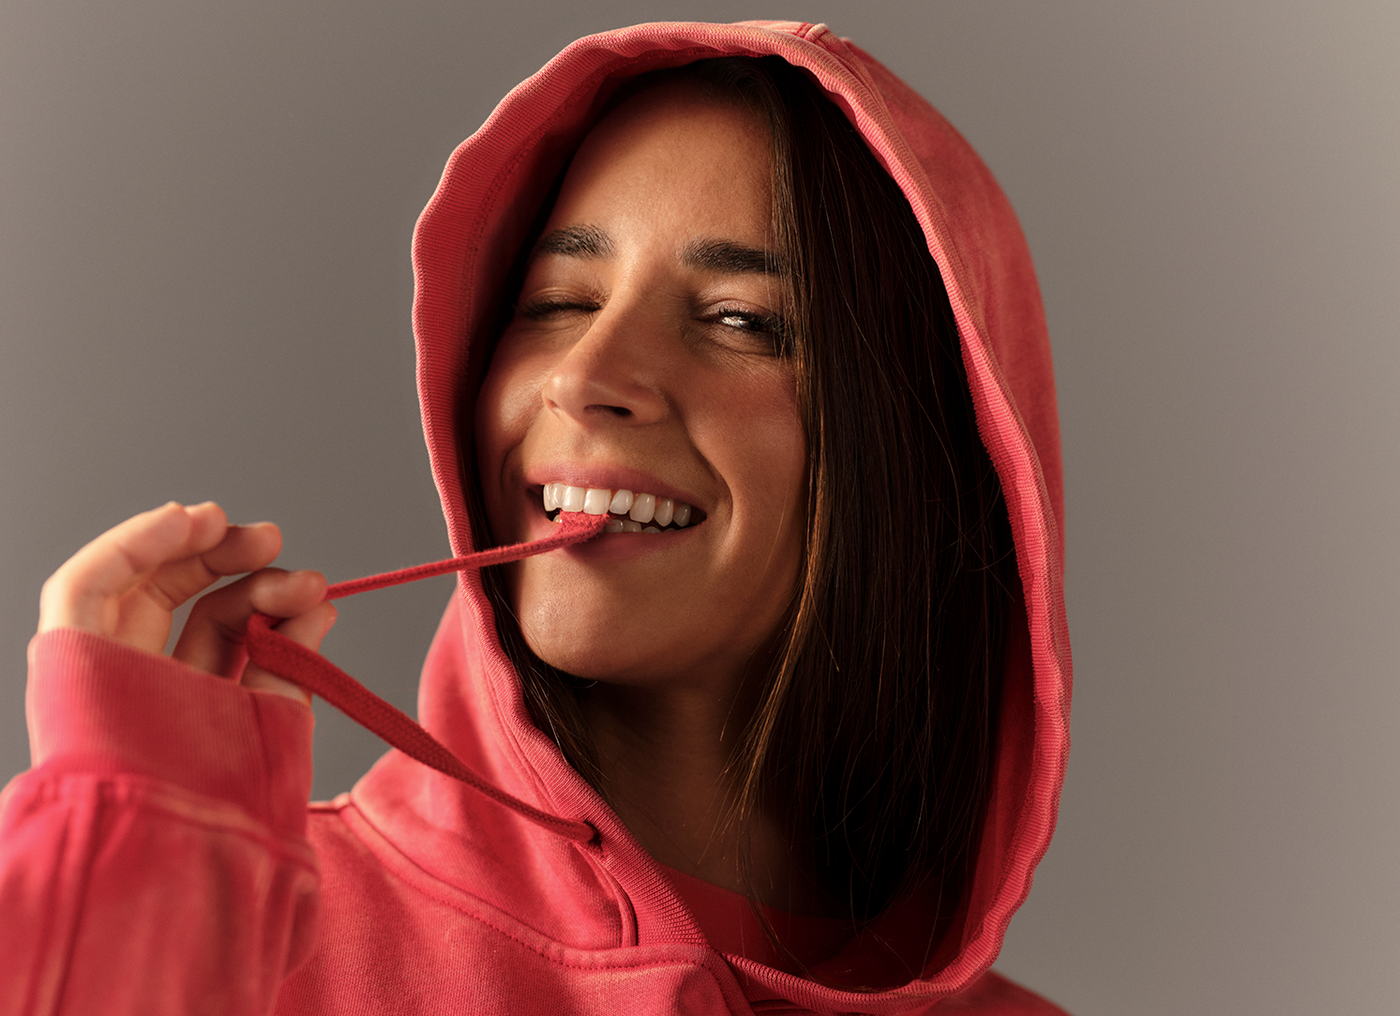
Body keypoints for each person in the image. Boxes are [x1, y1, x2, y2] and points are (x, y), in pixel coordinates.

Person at [0, 20, 1071, 1016]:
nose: (584, 375)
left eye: (739, 320)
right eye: (557, 302)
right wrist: (114, 916)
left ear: (934, 442)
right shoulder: (231, 952)